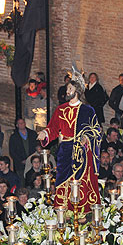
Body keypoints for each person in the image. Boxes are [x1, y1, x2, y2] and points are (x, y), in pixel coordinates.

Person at [37, 70, 101, 212]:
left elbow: (96, 130)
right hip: (65, 148)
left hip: (81, 150)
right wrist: (45, 133)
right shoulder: (60, 110)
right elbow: (53, 128)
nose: (67, 91)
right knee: (62, 178)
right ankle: (63, 208)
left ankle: (83, 209)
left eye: (70, 89)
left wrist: (87, 137)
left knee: (80, 179)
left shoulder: (87, 110)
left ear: (77, 91)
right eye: (67, 89)